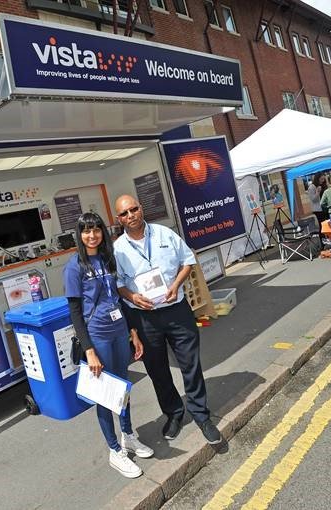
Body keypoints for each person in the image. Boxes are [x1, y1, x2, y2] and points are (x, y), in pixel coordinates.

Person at [112, 195, 222, 445]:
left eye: (133, 209)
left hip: (176, 310)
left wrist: (176, 285)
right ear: (118, 219)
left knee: (190, 364)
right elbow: (118, 284)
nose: (130, 216)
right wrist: (132, 296)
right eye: (124, 213)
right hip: (144, 318)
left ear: (141, 209)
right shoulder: (117, 249)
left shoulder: (164, 234)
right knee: (157, 371)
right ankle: (173, 413)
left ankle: (201, 414)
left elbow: (188, 261)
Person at [63, 211, 153, 478]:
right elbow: (75, 313)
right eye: (86, 231)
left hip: (118, 332)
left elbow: (117, 299)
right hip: (98, 336)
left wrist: (132, 332)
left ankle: (127, 435)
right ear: (79, 235)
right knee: (105, 394)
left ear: (102, 231)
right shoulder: (74, 266)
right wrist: (89, 350)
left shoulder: (107, 258)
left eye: (96, 229)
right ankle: (115, 450)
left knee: (122, 389)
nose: (92, 235)